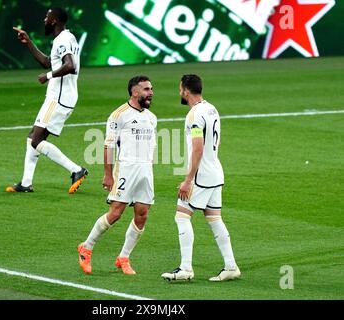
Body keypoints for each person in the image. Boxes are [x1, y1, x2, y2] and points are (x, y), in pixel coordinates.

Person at [161, 74, 240, 282]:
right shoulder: (211, 108)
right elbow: (217, 142)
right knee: (214, 218)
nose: (179, 92)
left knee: (182, 215)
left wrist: (188, 179)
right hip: (215, 171)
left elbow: (197, 149)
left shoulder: (194, 115)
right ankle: (231, 266)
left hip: (202, 176)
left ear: (186, 90)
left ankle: (186, 268)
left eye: (180, 89)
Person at [77, 75, 157, 275]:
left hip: (145, 170)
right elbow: (108, 145)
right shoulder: (118, 115)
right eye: (146, 89)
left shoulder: (151, 117)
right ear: (134, 91)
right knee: (116, 212)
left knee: (142, 215)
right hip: (126, 169)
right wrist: (108, 174)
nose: (150, 93)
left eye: (151, 89)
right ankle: (86, 247)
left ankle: (124, 257)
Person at [6, 7, 88, 194]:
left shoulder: (64, 39)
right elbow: (46, 61)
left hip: (58, 99)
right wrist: (29, 42)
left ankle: (76, 170)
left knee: (35, 140)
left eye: (47, 17)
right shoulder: (65, 39)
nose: (44, 19)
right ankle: (26, 183)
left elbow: (70, 66)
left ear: (54, 21)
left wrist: (48, 76)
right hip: (59, 97)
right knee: (32, 137)